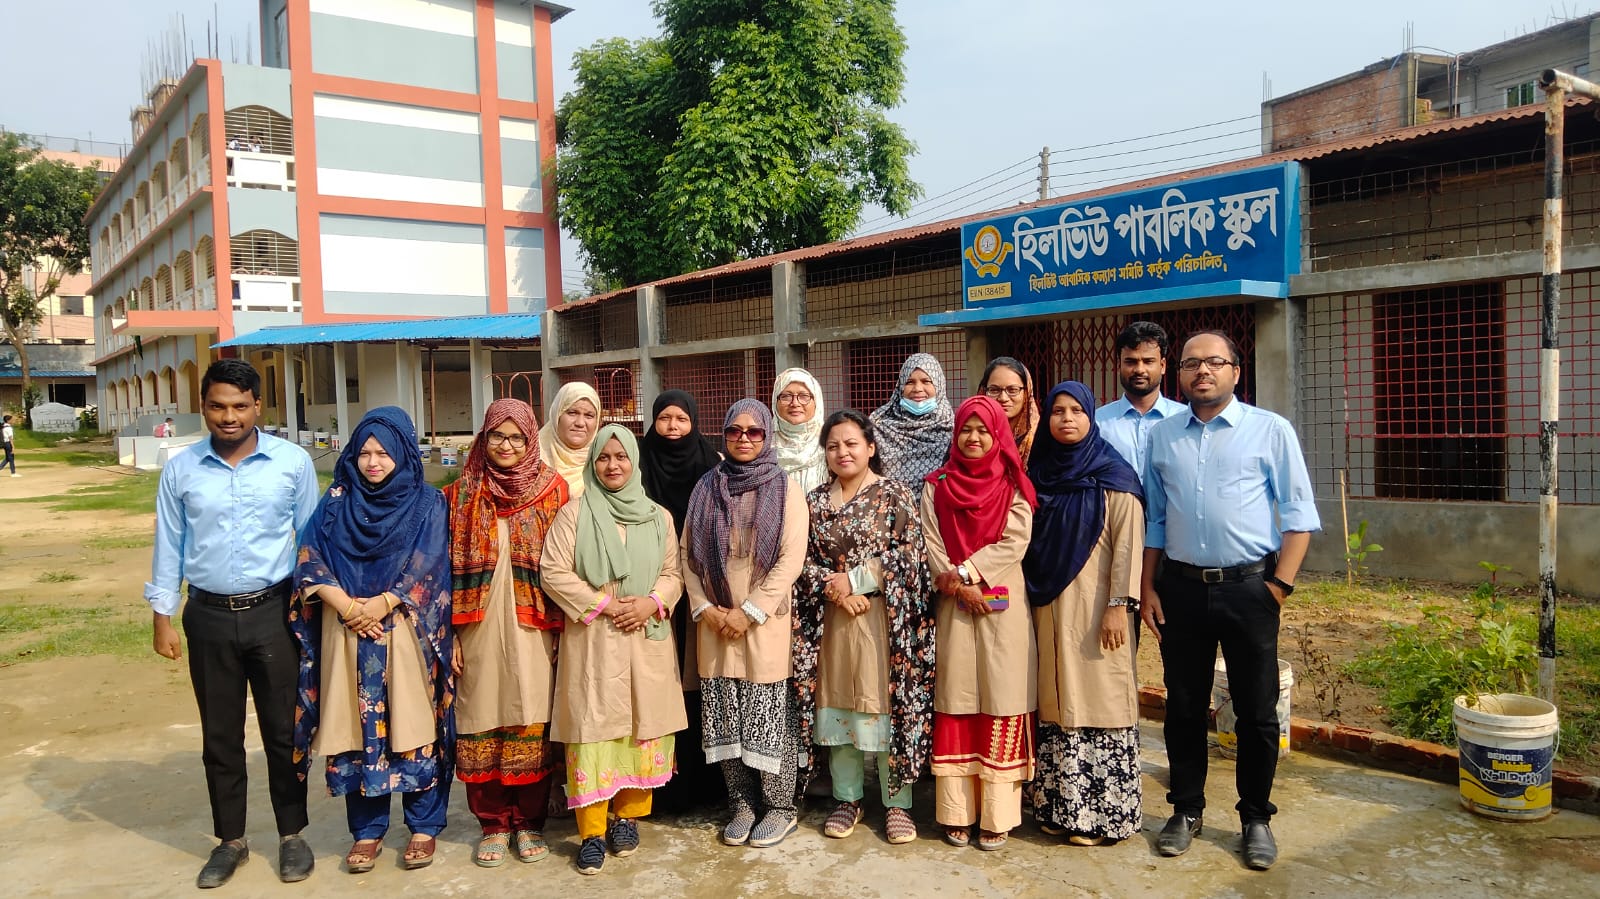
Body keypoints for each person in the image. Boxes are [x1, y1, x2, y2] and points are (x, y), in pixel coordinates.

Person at [1141, 330, 1320, 871]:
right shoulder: (1163, 436)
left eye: (1215, 362)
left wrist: (1279, 587)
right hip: (1181, 589)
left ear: (1236, 372)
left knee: (1257, 711)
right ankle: (1185, 810)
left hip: (1250, 589)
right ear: (1179, 373)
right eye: (1192, 363)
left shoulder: (1270, 430)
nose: (1203, 371)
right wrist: (1148, 587)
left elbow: (1298, 516)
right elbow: (1156, 519)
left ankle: (1255, 818)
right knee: (1184, 705)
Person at [145, 358, 318, 888]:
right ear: (203, 407)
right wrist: (162, 616)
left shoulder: (292, 463)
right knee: (219, 735)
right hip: (208, 616)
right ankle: (231, 841)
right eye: (218, 406)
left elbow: (310, 541)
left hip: (275, 612)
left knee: (283, 731)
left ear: (258, 406)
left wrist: (312, 616)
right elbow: (169, 543)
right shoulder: (182, 469)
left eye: (240, 406)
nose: (229, 416)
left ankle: (292, 834)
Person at [289, 407, 453, 873]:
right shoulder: (336, 501)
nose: (373, 462)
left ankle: (423, 825)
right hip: (346, 633)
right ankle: (367, 831)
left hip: (403, 630)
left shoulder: (427, 502)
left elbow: (430, 561)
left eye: (383, 453)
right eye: (364, 453)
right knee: (355, 733)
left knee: (414, 728)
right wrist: (347, 607)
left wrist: (383, 602)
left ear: (403, 453)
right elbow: (309, 556)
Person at [541, 424, 687, 875]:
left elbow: (674, 573)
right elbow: (553, 571)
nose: (612, 465)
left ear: (634, 461)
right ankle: (590, 832)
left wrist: (650, 603)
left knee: (642, 728)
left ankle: (627, 819)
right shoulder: (574, 514)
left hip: (645, 634)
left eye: (621, 457)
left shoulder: (658, 517)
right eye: (603, 457)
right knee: (594, 732)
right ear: (593, 463)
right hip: (595, 637)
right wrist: (604, 604)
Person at [793, 409, 934, 845]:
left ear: (871, 447)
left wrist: (857, 580)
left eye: (852, 443)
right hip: (834, 620)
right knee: (838, 706)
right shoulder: (815, 502)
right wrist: (836, 590)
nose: (843, 452)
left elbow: (912, 555)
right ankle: (847, 797)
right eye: (833, 445)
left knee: (885, 704)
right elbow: (800, 560)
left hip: (883, 620)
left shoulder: (894, 494)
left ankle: (898, 802)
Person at [446, 399, 570, 868]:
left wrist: (563, 631)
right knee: (480, 715)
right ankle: (493, 823)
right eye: (498, 435)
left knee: (529, 715)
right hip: (475, 625)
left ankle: (528, 822)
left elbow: (566, 564)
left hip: (534, 624)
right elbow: (440, 569)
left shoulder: (553, 491)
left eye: (517, 437)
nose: (506, 445)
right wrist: (450, 634)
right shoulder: (459, 494)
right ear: (484, 437)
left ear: (530, 440)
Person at [1023, 382, 1146, 846]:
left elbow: (1128, 547)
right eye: (1058, 411)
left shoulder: (1113, 475)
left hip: (1097, 611)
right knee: (1056, 701)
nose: (1067, 419)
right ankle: (1059, 808)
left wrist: (1119, 606)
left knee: (1100, 699)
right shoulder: (1040, 473)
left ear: (1091, 417)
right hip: (1049, 606)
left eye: (1077, 410)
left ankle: (1104, 818)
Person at [682, 399, 808, 849]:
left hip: (764, 623)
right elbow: (687, 556)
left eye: (754, 432)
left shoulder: (785, 488)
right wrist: (706, 608)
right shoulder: (705, 487)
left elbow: (791, 559)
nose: (743, 439)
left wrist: (749, 611)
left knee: (767, 715)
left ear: (767, 436)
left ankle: (780, 808)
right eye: (734, 431)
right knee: (725, 716)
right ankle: (741, 804)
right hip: (715, 623)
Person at [922, 395, 1037, 852]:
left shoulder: (1013, 484)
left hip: (1001, 605)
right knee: (958, 698)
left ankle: (998, 815)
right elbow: (930, 540)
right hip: (953, 605)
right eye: (966, 429)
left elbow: (1015, 541)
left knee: (1002, 698)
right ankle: (957, 813)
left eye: (983, 431)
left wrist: (968, 573)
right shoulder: (937, 485)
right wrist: (955, 583)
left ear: (998, 435)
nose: (974, 438)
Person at [637, 389, 723, 811]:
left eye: (681, 419)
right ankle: (654, 787)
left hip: (698, 593)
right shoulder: (637, 462)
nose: (673, 427)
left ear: (694, 422)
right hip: (646, 592)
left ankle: (704, 785)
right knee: (656, 684)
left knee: (695, 684)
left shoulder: (711, 465)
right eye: (665, 418)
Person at [1096, 321, 1187, 476]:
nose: (1139, 370)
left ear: (1163, 366)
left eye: (1148, 361)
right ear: (1119, 366)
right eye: (1130, 362)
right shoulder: (1098, 423)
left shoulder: (1184, 419)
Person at [871, 352, 955, 489]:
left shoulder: (953, 429)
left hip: (936, 502)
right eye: (910, 382)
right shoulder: (879, 427)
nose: (917, 389)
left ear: (939, 385)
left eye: (926, 381)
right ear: (900, 387)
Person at [539, 381, 603, 499]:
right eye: (572, 413)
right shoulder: (531, 458)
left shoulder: (605, 461)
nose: (580, 423)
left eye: (589, 415)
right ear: (557, 415)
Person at [771, 368, 828, 492]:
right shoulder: (763, 445)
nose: (795, 403)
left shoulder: (829, 443)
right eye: (786, 396)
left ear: (816, 401)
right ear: (775, 401)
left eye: (804, 396)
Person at [978, 357, 1040, 466]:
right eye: (994, 390)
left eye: (1012, 390)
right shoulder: (972, 435)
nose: (1003, 398)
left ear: (1026, 393)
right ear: (984, 392)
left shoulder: (1041, 438)